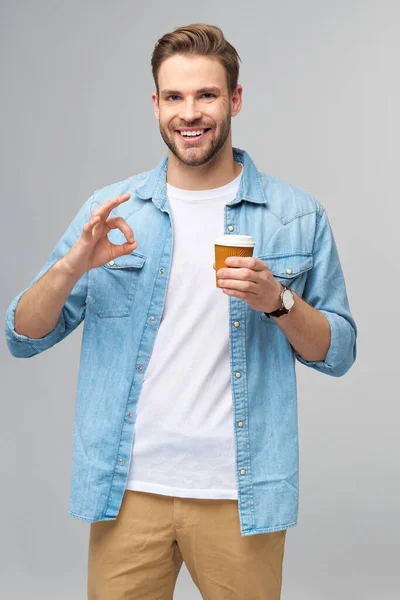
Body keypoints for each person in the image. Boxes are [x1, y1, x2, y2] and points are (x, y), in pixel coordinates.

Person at [5, 22, 357, 600]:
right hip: (129, 492)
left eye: (207, 95)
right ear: (156, 104)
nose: (189, 113)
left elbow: (338, 351)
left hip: (239, 494)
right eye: (174, 97)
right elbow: (22, 334)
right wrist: (72, 267)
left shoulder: (295, 215)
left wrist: (279, 301)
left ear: (235, 99)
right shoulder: (114, 211)